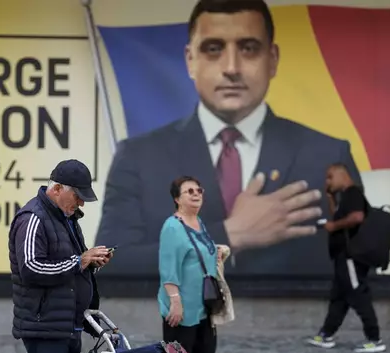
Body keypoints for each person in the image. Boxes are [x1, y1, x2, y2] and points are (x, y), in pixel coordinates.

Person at [95, 0, 361, 277]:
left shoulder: (328, 156)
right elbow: (109, 266)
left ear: (273, 59)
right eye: (213, 49)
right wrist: (230, 235)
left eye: (248, 49)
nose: (232, 67)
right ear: (190, 60)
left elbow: (366, 274)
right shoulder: (138, 158)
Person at [8, 159, 113, 353]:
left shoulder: (68, 219)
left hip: (68, 324)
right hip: (44, 325)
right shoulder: (32, 218)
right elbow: (31, 269)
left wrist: (92, 263)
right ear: (56, 189)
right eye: (77, 196)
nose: (81, 203)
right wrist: (80, 260)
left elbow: (71, 266)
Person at [307, 163, 385, 353]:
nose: (327, 182)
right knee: (339, 297)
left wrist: (333, 227)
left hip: (351, 257)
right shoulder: (345, 197)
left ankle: (374, 339)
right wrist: (330, 197)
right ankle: (326, 334)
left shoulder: (353, 193)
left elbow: (357, 217)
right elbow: (338, 216)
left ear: (342, 175)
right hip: (343, 256)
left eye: (330, 177)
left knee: (358, 294)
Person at [159, 176, 221, 353]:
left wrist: (217, 252)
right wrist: (175, 302)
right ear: (177, 198)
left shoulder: (198, 222)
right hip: (182, 313)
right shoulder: (172, 227)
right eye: (189, 191)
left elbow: (197, 253)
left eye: (199, 190)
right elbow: (168, 268)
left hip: (204, 308)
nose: (196, 194)